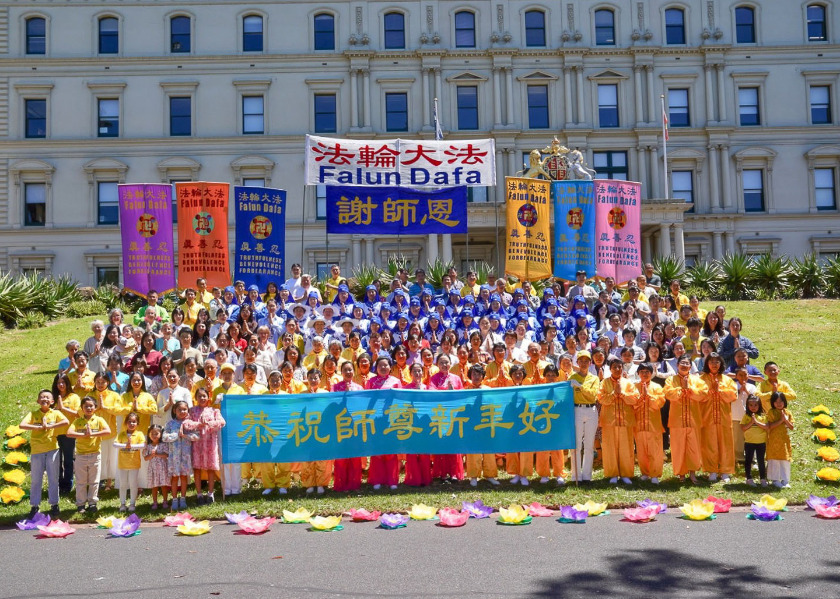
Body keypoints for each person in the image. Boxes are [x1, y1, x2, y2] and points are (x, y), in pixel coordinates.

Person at [20, 389, 68, 518]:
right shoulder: (33, 414)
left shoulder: (55, 413)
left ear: (52, 401)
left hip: (52, 449)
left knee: (53, 478)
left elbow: (66, 422)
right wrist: (38, 427)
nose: (45, 399)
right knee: (36, 479)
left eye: (47, 397)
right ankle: (34, 506)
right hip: (37, 451)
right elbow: (22, 425)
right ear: (38, 401)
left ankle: (54, 504)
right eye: (42, 397)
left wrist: (50, 427)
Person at [664, 356, 709, 484]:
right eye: (682, 363)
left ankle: (693, 474)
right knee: (678, 448)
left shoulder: (697, 380)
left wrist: (689, 388)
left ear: (690, 366)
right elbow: (668, 394)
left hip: (693, 419)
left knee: (693, 447)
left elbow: (703, 394)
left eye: (687, 363)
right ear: (677, 365)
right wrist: (682, 389)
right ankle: (681, 474)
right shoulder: (670, 380)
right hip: (677, 421)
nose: (684, 365)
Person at [598, 359, 640, 485]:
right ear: (610, 369)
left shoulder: (628, 383)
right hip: (609, 420)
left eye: (619, 367)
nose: (617, 369)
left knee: (626, 447)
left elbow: (635, 399)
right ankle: (612, 474)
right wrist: (613, 394)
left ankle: (626, 474)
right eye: (614, 367)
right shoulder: (604, 383)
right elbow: (601, 399)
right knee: (610, 447)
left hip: (625, 420)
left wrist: (621, 394)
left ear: (623, 368)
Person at [66, 396, 110, 513]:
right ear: (82, 408)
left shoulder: (99, 420)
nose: (89, 408)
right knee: (81, 481)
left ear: (95, 407)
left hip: (95, 454)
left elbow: (107, 431)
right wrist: (83, 435)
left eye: (91, 406)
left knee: (94, 481)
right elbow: (69, 433)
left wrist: (93, 435)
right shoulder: (78, 421)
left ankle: (92, 503)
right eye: (86, 406)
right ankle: (80, 504)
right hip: (80, 455)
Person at [699, 353, 738, 482]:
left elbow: (733, 396)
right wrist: (711, 392)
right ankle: (712, 470)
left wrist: (719, 391)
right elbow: (698, 396)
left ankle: (725, 471)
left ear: (721, 364)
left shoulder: (727, 380)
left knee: (725, 443)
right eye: (711, 362)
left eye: (717, 362)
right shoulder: (701, 379)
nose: (714, 365)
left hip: (724, 417)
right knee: (709, 444)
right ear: (707, 364)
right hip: (707, 417)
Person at [183, 387, 226, 504]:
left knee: (210, 469)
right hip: (197, 444)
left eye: (204, 396)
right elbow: (186, 423)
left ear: (208, 397)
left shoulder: (214, 411)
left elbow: (222, 422)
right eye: (199, 396)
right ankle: (199, 494)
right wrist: (198, 424)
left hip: (210, 444)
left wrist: (209, 423)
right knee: (197, 469)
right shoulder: (191, 411)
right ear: (196, 398)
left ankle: (210, 493)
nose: (202, 398)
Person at [366, 357, 402, 490]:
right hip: (376, 420)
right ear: (376, 368)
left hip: (391, 419)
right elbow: (367, 400)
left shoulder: (396, 382)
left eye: (385, 365)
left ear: (390, 367)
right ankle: (377, 479)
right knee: (377, 450)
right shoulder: (371, 382)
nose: (383, 368)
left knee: (391, 450)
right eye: (380, 365)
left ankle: (392, 479)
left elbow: (400, 401)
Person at [463, 363, 499, 487]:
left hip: (486, 424)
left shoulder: (488, 390)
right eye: (474, 374)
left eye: (479, 374)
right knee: (473, 451)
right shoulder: (466, 391)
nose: (476, 376)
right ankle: (473, 475)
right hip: (472, 425)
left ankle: (490, 475)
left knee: (489, 450)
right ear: (470, 376)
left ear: (483, 376)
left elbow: (494, 406)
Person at [331, 363, 365, 492]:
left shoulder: (359, 388)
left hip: (355, 425)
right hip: (340, 425)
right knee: (341, 455)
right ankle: (341, 483)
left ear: (354, 371)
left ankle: (354, 482)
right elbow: (333, 405)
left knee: (354, 454)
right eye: (345, 370)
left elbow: (362, 406)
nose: (348, 372)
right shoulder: (335, 387)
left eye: (350, 369)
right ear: (341, 372)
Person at [568, 351, 601, 483]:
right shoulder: (572, 377)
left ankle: (587, 476)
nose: (583, 363)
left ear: (590, 363)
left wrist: (580, 387)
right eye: (580, 360)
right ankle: (576, 475)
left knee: (588, 444)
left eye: (586, 361)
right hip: (577, 409)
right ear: (577, 362)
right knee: (576, 445)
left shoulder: (594, 378)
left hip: (591, 410)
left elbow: (593, 395)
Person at [633, 363, 666, 484]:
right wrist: (641, 397)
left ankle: (655, 474)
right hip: (639, 424)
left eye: (647, 371)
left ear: (651, 374)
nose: (645, 374)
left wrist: (648, 396)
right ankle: (645, 472)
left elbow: (659, 404)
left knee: (655, 450)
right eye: (642, 371)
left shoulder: (657, 387)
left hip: (653, 424)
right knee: (641, 450)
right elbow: (632, 405)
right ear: (638, 373)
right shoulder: (634, 387)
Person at [163, 400, 197, 510]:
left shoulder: (190, 423)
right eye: (179, 409)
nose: (182, 411)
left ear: (188, 410)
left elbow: (197, 436)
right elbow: (164, 437)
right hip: (174, 456)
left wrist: (186, 436)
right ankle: (174, 499)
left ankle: (183, 498)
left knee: (183, 476)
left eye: (184, 409)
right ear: (174, 410)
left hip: (185, 455)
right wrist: (176, 435)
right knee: (174, 476)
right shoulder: (170, 423)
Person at [51, 373, 80, 495]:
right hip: (55, 433)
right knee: (56, 461)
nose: (61, 385)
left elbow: (78, 414)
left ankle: (67, 484)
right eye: (58, 383)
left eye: (63, 382)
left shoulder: (74, 397)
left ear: (67, 383)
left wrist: (62, 408)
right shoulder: (52, 397)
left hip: (69, 433)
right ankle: (58, 483)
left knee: (68, 460)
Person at [114, 412, 145, 512]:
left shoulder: (139, 434)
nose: (131, 424)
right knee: (123, 484)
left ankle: (132, 503)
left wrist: (130, 446)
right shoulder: (121, 434)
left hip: (134, 464)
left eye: (134, 422)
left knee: (133, 484)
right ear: (125, 423)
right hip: (122, 464)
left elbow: (143, 445)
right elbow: (115, 444)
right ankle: (122, 504)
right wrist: (125, 446)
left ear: (137, 423)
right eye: (129, 421)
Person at [766, 392, 794, 488]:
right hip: (774, 439)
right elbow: (770, 426)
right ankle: (775, 480)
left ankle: (785, 480)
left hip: (784, 439)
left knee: (785, 458)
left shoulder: (787, 412)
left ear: (784, 402)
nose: (779, 403)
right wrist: (781, 420)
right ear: (772, 402)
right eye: (776, 401)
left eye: (781, 401)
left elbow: (791, 427)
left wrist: (785, 420)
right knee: (774, 459)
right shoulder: (771, 412)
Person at [741, 395, 768, 487]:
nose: (753, 407)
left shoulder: (763, 416)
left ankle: (763, 479)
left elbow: (766, 427)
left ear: (759, 405)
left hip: (761, 442)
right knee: (748, 460)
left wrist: (756, 422)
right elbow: (743, 428)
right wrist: (751, 422)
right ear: (747, 406)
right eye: (751, 405)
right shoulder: (746, 416)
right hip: (749, 442)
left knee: (761, 461)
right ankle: (749, 478)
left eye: (755, 405)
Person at [143, 424, 169, 510]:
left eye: (156, 433)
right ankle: (155, 502)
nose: (154, 435)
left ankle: (165, 501)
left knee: (163, 485)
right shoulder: (148, 446)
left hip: (162, 468)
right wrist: (152, 455)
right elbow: (146, 458)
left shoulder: (163, 444)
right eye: (152, 433)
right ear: (149, 434)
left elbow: (166, 455)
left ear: (161, 434)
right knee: (154, 486)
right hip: (153, 469)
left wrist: (157, 454)